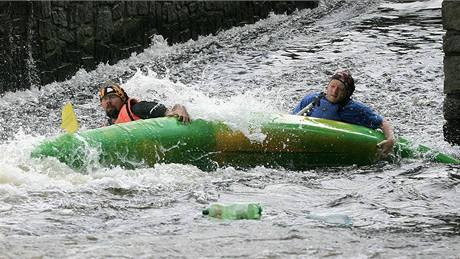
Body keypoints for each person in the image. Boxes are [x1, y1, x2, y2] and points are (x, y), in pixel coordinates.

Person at [292, 69, 394, 157]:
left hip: (332, 145)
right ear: (327, 86)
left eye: (340, 89)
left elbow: (382, 123)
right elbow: (291, 118)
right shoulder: (312, 99)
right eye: (332, 86)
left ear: (347, 93)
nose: (334, 91)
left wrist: (390, 140)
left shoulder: (352, 108)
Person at [98, 81, 191, 126]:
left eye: (112, 97)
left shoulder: (138, 108)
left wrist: (180, 108)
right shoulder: (109, 125)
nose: (108, 102)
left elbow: (171, 111)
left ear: (122, 99)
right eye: (105, 99)